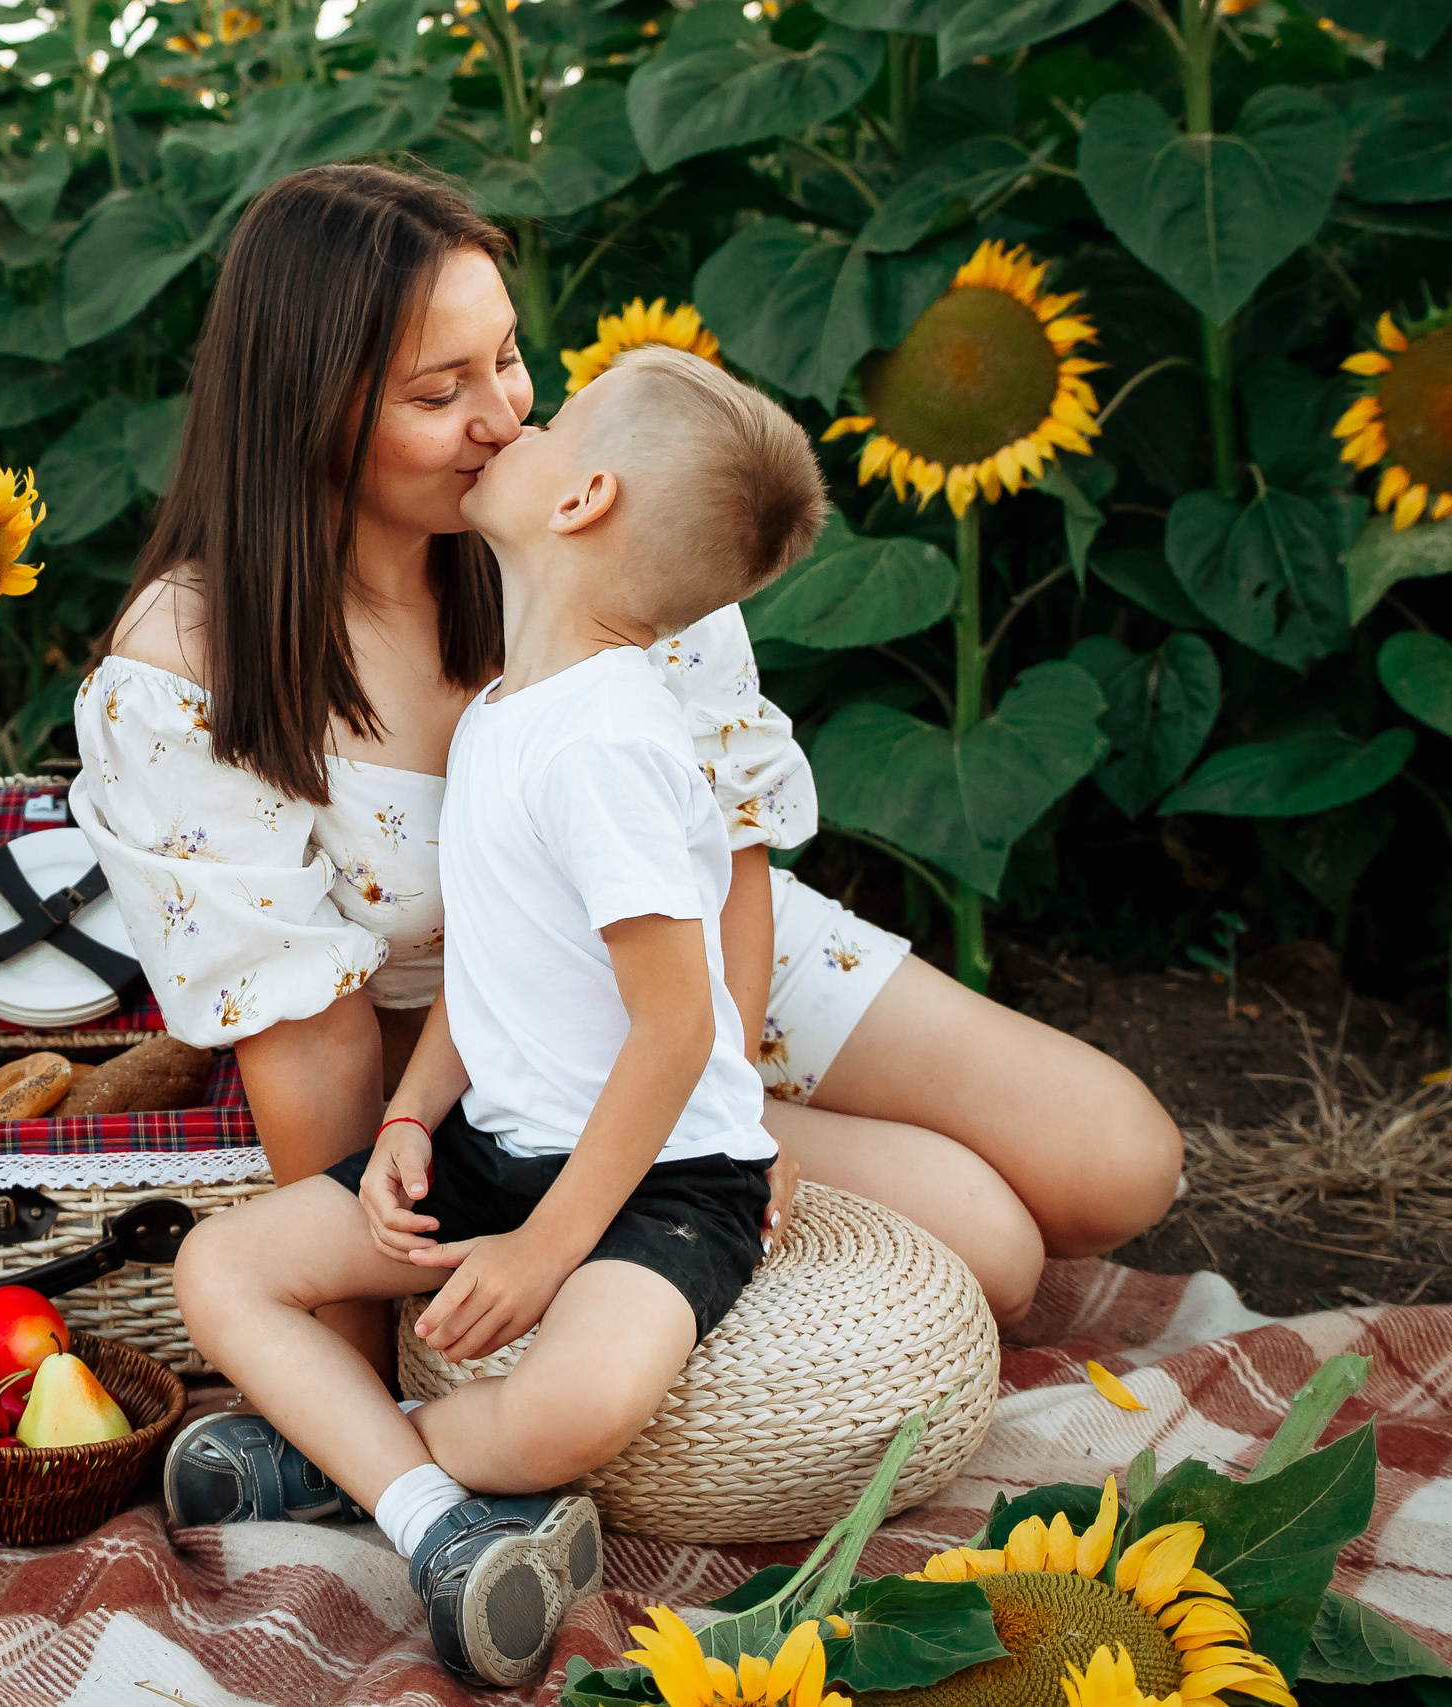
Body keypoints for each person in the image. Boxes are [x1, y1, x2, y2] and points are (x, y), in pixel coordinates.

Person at [68, 161, 1180, 1348]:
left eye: (506, 357)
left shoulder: (597, 526)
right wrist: (362, 1339)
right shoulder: (191, 667)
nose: (505, 420)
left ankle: (721, 1167)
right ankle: (688, 1201)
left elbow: (734, 850)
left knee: (1121, 1163)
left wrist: (723, 1125)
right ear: (305, 408)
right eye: (439, 391)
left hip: (700, 956)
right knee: (992, 1254)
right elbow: (308, 1034)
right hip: (511, 1048)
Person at [168, 346, 830, 1686]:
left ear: (582, 499)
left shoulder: (608, 746)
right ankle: (439, 1519)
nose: (509, 424)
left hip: (664, 1178)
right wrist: (413, 1114)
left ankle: (361, 1469)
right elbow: (491, 969)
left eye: (552, 420)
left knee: (578, 1402)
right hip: (497, 1138)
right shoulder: (509, 715)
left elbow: (674, 1030)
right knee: (221, 1267)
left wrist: (543, 1248)